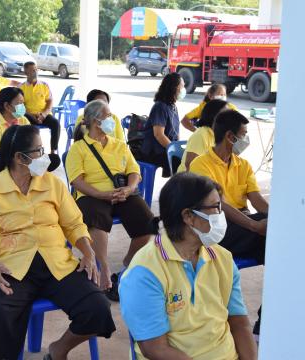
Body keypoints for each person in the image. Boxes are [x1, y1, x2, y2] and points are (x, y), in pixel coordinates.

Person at [0, 125, 115, 360]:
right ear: (19, 158)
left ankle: (58, 350)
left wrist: (87, 252)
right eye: (39, 151)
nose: (45, 156)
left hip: (57, 265)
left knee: (97, 307)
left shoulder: (52, 183)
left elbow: (74, 224)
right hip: (10, 267)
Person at [119, 172, 257, 360]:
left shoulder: (223, 258)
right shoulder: (145, 272)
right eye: (216, 207)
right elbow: (155, 349)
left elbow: (239, 323)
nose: (221, 215)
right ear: (189, 216)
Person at [66, 100, 156, 298]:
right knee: (96, 216)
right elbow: (77, 181)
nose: (111, 119)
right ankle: (104, 268)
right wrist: (100, 194)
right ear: (96, 122)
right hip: (91, 195)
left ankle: (127, 264)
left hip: (121, 193)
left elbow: (134, 171)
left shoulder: (119, 145)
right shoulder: (79, 148)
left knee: (148, 222)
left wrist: (129, 188)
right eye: (107, 116)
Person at [190, 109, 267, 340]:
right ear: (230, 137)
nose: (246, 139)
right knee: (270, 238)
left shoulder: (242, 164)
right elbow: (219, 204)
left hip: (241, 228)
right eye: (244, 134)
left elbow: (256, 200)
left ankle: (265, 321)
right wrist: (254, 226)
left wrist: (280, 218)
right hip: (215, 229)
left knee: (279, 250)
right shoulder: (201, 165)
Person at [135, 73, 184, 177]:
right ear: (174, 88)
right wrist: (174, 150)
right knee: (181, 163)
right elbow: (159, 135)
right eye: (182, 86)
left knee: (188, 157)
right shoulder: (160, 107)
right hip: (153, 151)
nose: (183, 90)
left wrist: (179, 148)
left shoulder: (173, 107)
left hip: (165, 148)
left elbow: (176, 132)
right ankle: (177, 190)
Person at [177, 99, 229, 172]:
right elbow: (190, 165)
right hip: (191, 179)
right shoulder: (201, 135)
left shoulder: (219, 134)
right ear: (214, 116)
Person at [20, 61, 60, 154]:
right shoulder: (21, 87)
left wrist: (44, 114)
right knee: (25, 125)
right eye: (32, 70)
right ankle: (29, 151)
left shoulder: (44, 85)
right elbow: (20, 107)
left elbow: (50, 101)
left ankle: (53, 151)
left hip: (43, 115)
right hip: (28, 115)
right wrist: (32, 116)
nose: (35, 72)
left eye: (36, 69)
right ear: (26, 73)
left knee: (55, 123)